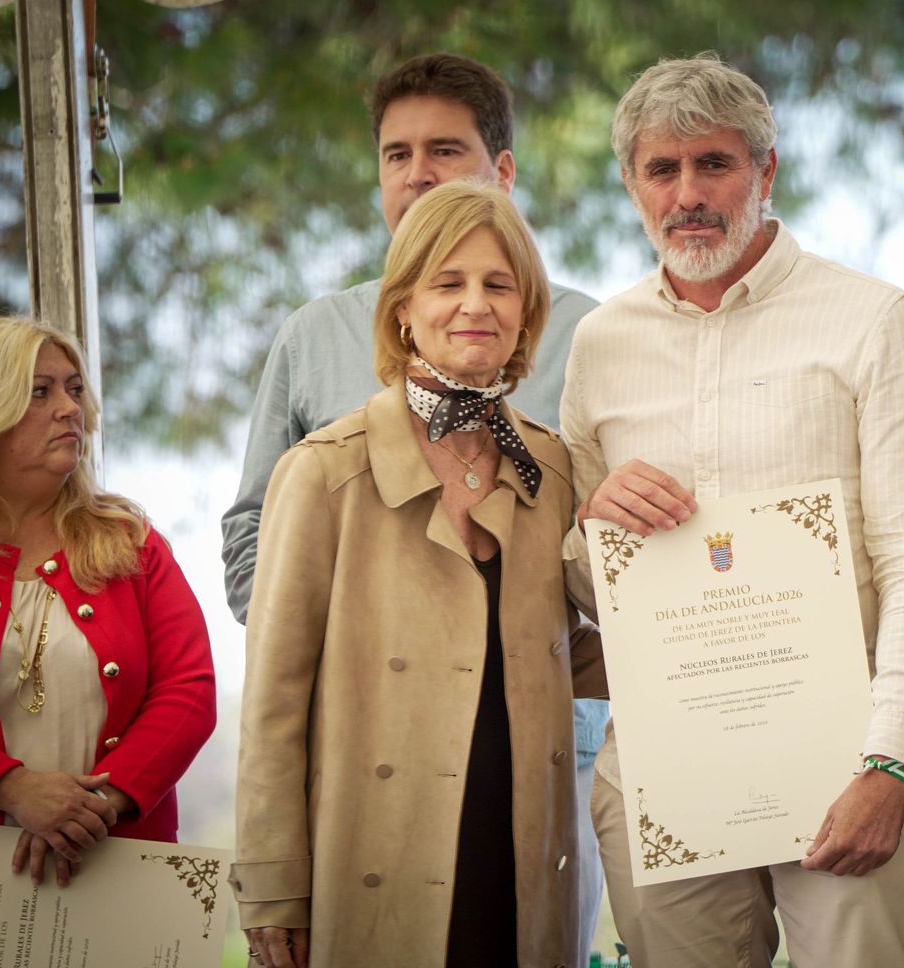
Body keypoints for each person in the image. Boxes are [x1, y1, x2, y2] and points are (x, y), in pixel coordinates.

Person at [561, 54, 904, 968]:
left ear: (766, 170)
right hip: (665, 770)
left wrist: (891, 763)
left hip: (843, 763)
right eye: (662, 170)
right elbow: (587, 586)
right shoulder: (600, 345)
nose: (688, 193)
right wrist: (592, 520)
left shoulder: (875, 323)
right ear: (631, 184)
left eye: (715, 163)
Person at [217, 51, 610, 960]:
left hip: (527, 821)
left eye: (499, 286)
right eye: (447, 284)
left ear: (528, 314)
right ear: (401, 312)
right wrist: (273, 879)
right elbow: (273, 698)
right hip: (375, 816)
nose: (475, 305)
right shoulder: (324, 472)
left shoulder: (545, 466)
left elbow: (581, 636)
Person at [0, 317, 216, 886]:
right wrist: (12, 789)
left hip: (113, 863)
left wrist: (97, 807)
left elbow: (190, 690)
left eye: (75, 389)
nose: (70, 408)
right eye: (41, 391)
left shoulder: (132, 542)